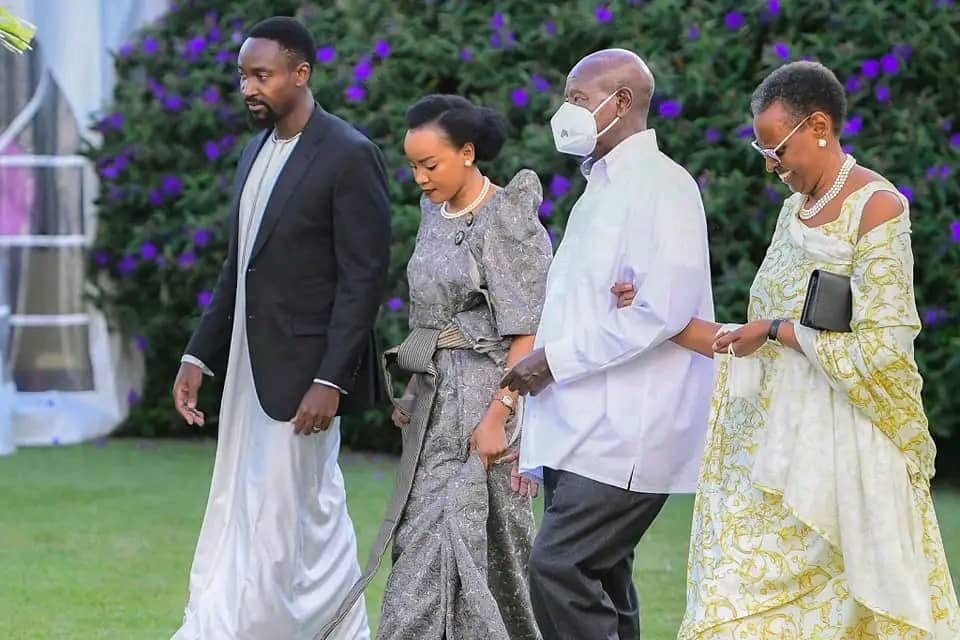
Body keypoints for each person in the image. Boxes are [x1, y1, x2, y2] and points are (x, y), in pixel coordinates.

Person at [617, 61, 960, 639]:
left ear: (819, 126)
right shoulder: (791, 211)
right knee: (726, 608)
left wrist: (780, 330)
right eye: (764, 152)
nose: (773, 166)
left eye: (778, 149)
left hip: (844, 449)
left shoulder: (877, 206)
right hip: (770, 446)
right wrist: (652, 308)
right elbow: (750, 337)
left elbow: (887, 343)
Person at [169, 17, 391, 640]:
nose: (248, 87)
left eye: (261, 75)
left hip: (304, 374)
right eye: (243, 75)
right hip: (244, 365)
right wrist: (198, 356)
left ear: (301, 74)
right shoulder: (255, 150)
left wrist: (331, 379)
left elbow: (363, 278)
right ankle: (248, 619)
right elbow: (237, 267)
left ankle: (299, 627)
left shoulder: (349, 154)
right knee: (247, 500)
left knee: (301, 507)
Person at [501, 49, 715, 640]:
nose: (565, 111)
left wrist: (553, 361)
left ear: (620, 103)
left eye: (576, 98)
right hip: (581, 424)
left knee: (559, 566)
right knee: (605, 575)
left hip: (629, 428)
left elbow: (662, 310)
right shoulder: (599, 185)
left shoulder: (663, 187)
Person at [327, 94, 551, 640]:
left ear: (468, 153)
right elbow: (432, 319)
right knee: (417, 558)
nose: (420, 178)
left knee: (491, 559)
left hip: (490, 405)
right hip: (434, 410)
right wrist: (410, 391)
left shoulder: (508, 216)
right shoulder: (433, 213)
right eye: (413, 166)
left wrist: (501, 413)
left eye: (431, 165)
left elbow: (529, 328)